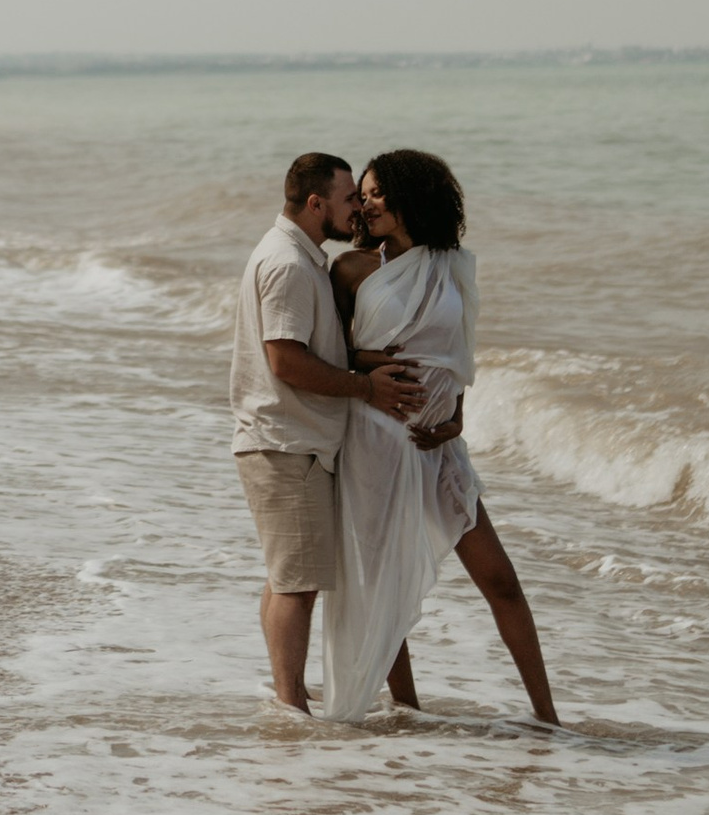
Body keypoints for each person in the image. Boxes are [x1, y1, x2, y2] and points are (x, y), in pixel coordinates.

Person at [318, 149, 560, 728]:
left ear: (411, 197)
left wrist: (459, 417)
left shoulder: (452, 264)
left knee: (500, 578)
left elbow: (458, 352)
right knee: (385, 584)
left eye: (377, 193)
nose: (366, 203)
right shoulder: (352, 270)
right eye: (363, 194)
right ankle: (407, 711)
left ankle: (549, 718)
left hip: (439, 442)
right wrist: (368, 361)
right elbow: (331, 354)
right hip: (376, 441)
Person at [232, 153, 427, 714]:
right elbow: (286, 361)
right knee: (298, 584)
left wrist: (365, 362)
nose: (358, 209)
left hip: (287, 439)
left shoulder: (300, 257)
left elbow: (314, 349)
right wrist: (367, 389)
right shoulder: (290, 264)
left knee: (288, 577)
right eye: (349, 199)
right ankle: (292, 708)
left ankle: (286, 695)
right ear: (316, 204)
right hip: (287, 442)